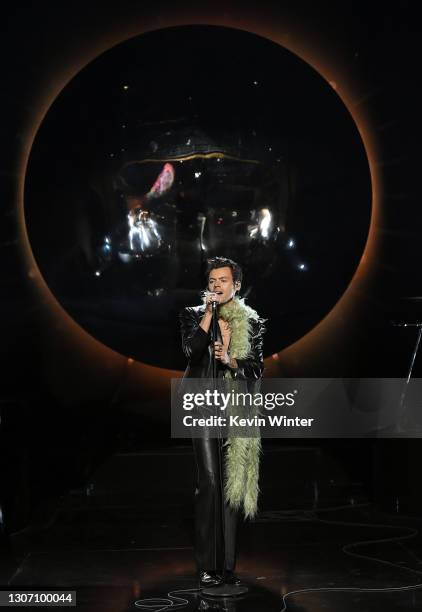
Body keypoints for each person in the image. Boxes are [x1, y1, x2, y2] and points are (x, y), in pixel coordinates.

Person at [179, 256, 266, 589]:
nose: (216, 286)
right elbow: (191, 351)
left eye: (223, 281)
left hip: (234, 406)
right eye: (212, 281)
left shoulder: (252, 321)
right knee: (211, 481)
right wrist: (207, 316)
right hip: (201, 403)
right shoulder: (193, 315)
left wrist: (230, 360)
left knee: (230, 485)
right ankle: (207, 566)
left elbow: (256, 368)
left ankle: (227, 565)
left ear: (236, 285)